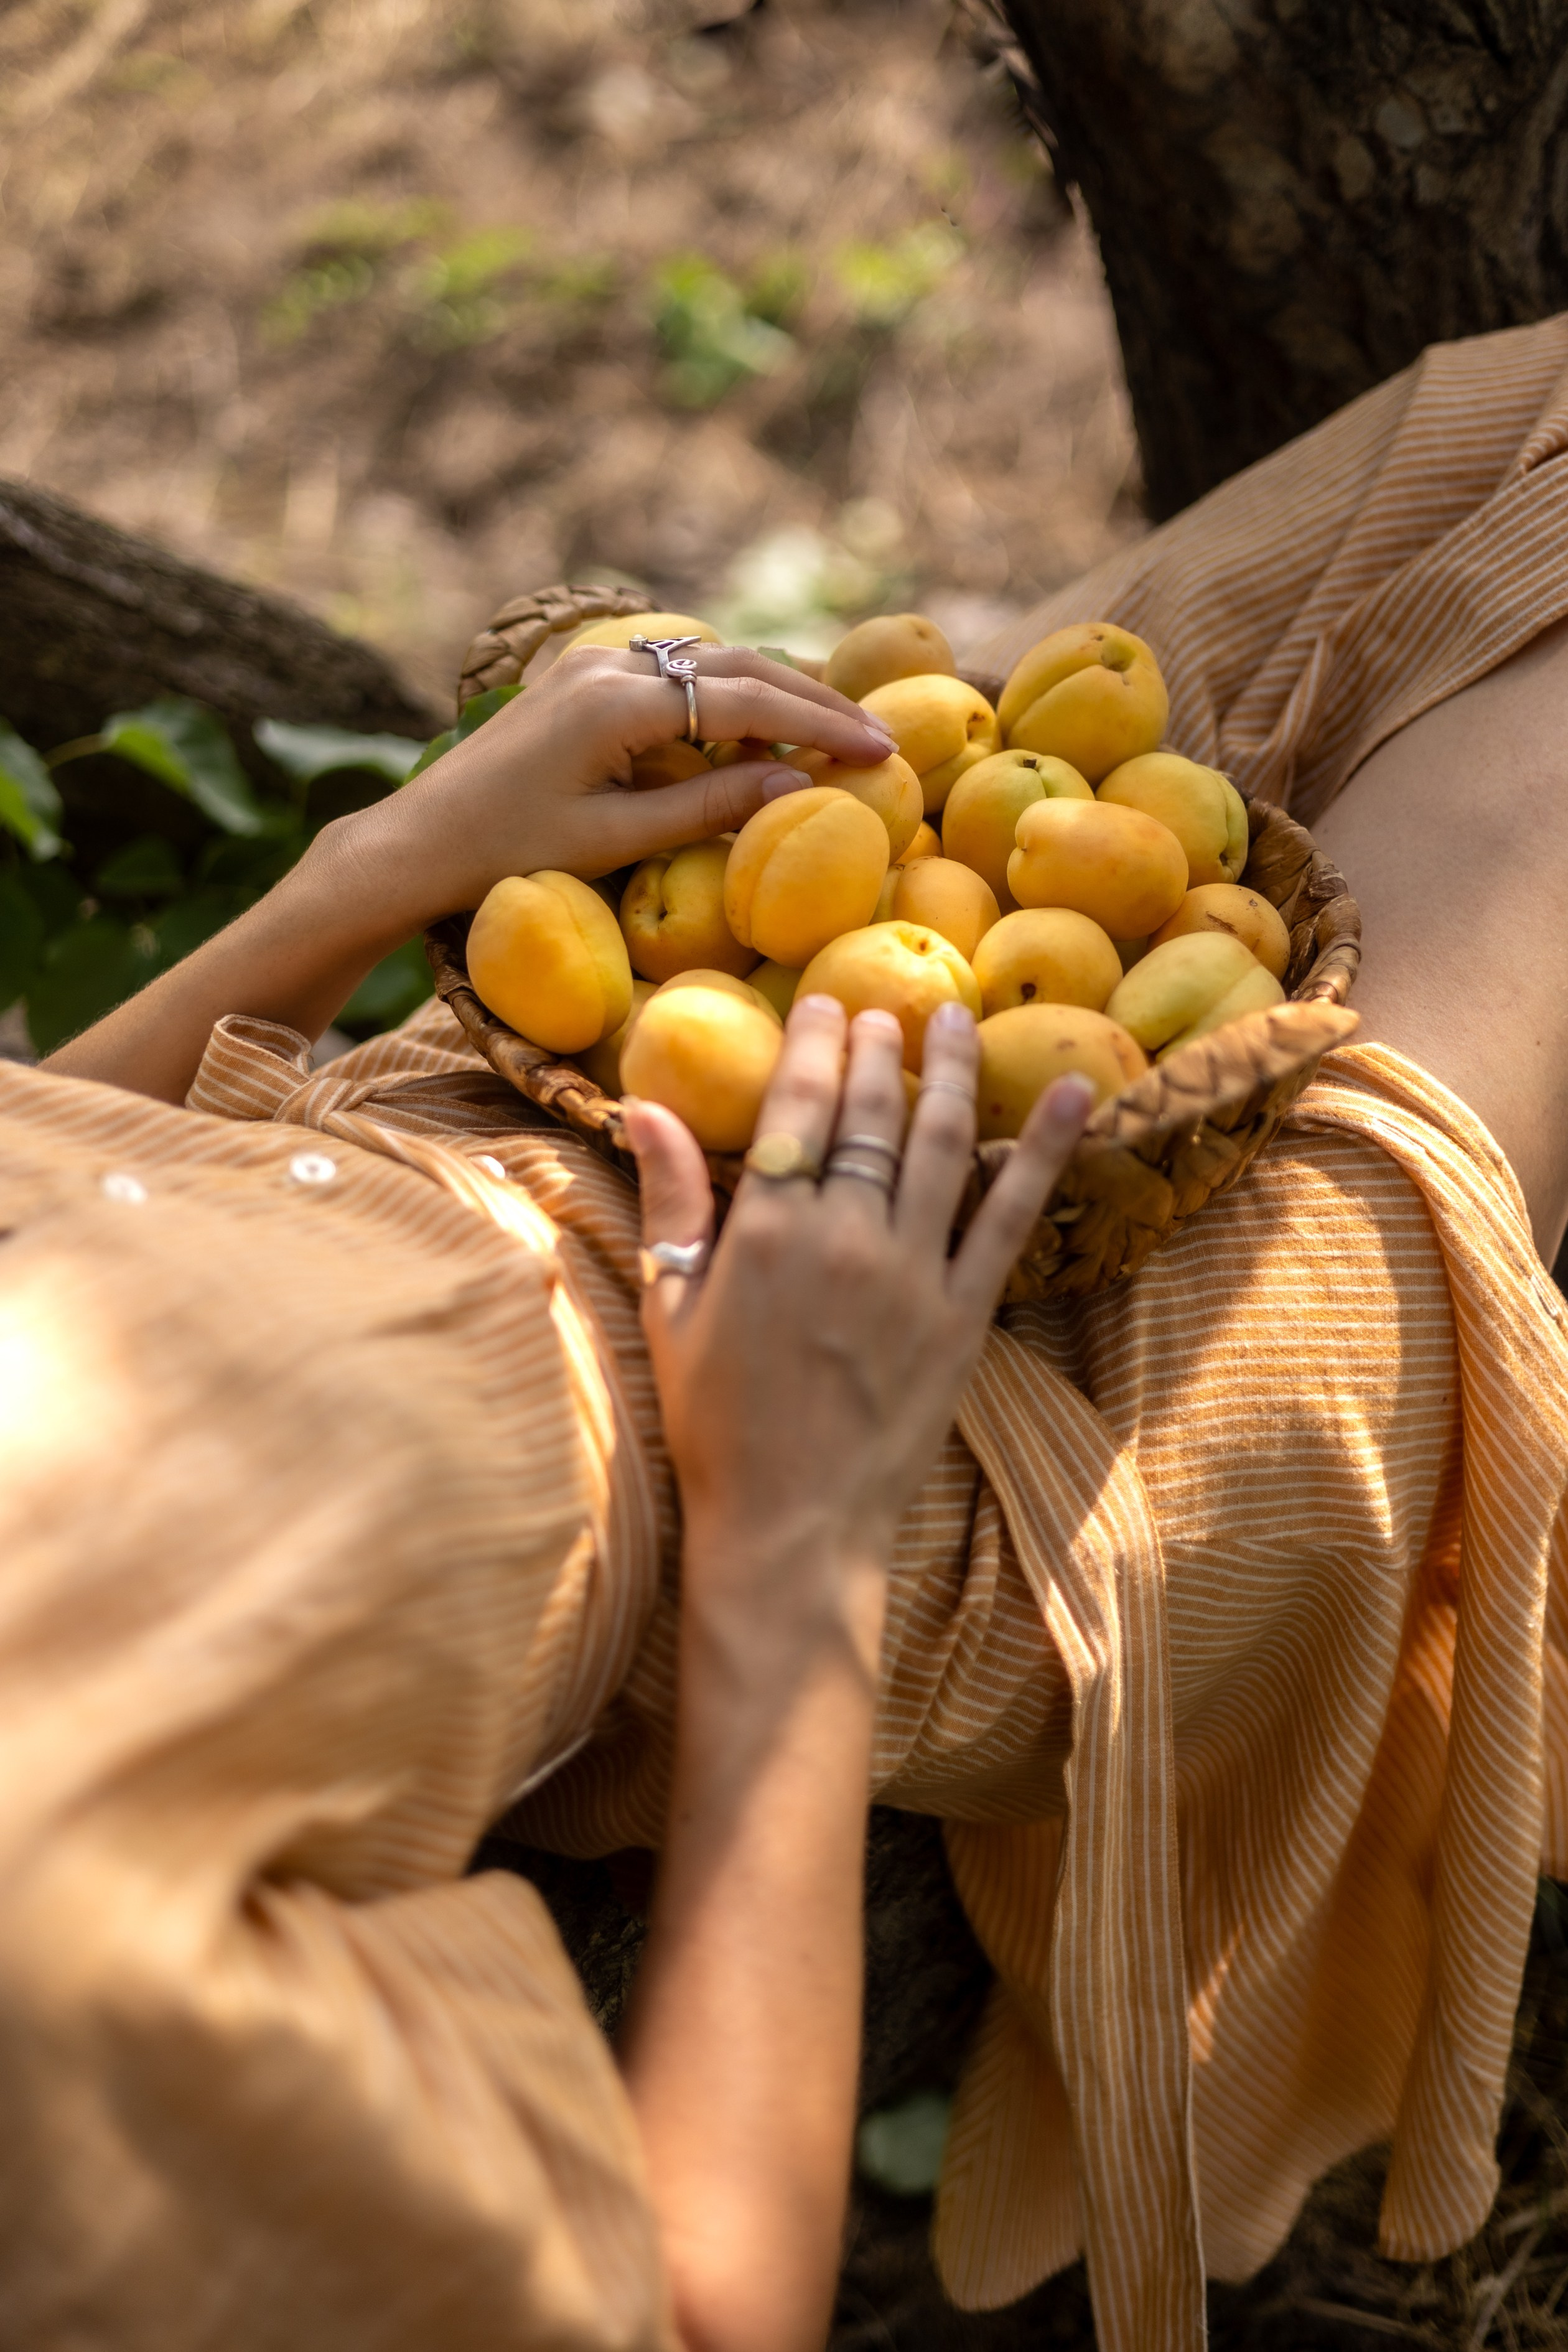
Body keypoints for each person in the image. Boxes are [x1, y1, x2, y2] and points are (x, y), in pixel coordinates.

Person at [4, 312, 1568, 2352]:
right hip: (920, 1446)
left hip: (551, 1070)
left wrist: (387, 860)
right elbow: (691, 2307)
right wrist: (793, 1543)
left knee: (1524, 416)